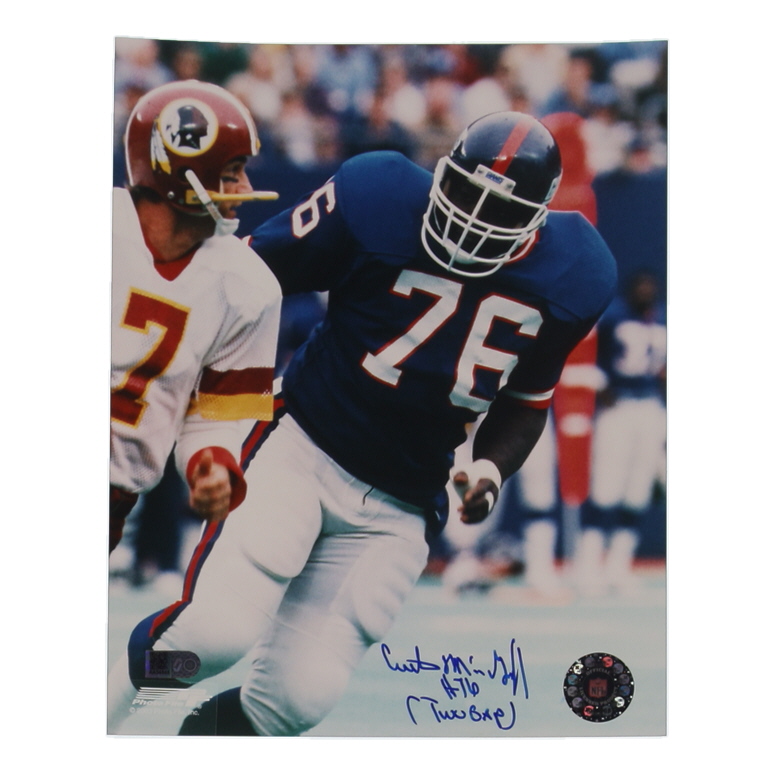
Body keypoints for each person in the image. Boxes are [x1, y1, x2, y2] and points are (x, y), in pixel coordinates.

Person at [107, 111, 617, 735]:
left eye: (500, 210)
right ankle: (95, 719)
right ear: (442, 174)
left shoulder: (575, 272)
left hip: (403, 502)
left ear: (537, 219)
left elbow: (527, 398)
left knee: (296, 700)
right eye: (464, 193)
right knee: (208, 638)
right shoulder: (379, 197)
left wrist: (489, 467)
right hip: (304, 444)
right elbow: (248, 275)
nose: (474, 218)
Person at [109, 80, 282, 553]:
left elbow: (217, 413)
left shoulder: (249, 286)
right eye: (233, 172)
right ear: (184, 173)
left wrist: (212, 463)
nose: (245, 189)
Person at [573, 271, 666, 594]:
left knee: (638, 488)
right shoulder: (612, 318)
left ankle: (618, 566)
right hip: (618, 408)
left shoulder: (662, 319)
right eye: (640, 286)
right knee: (606, 486)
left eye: (650, 287)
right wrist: (601, 386)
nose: (646, 291)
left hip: (651, 408)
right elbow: (586, 355)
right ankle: (588, 566)